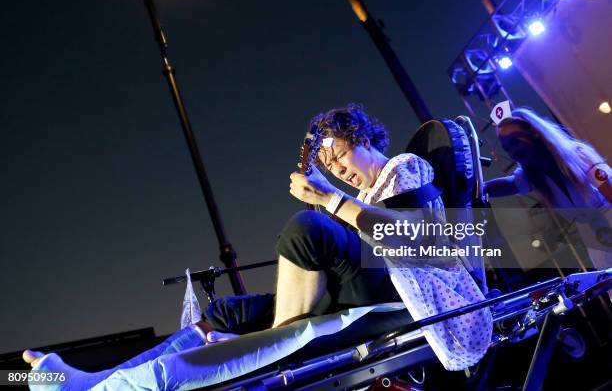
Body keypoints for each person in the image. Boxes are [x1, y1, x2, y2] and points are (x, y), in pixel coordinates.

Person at [23, 104, 491, 388]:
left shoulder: (405, 170)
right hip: (358, 286)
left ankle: (274, 347)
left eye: (339, 154)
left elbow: (417, 241)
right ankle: (95, 384)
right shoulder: (360, 194)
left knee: (308, 228)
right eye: (326, 165)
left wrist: (330, 201)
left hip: (401, 292)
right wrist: (338, 200)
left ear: (363, 137)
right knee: (227, 312)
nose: (335, 169)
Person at [484, 106, 612, 270]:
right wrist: (476, 187)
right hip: (592, 236)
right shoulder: (532, 175)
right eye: (507, 148)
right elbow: (508, 185)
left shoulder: (579, 154)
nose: (513, 151)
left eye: (515, 141)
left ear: (534, 132)